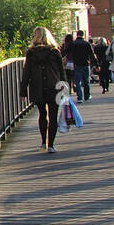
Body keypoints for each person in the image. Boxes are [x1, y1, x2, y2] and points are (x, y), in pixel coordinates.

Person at [19, 26, 67, 154]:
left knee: (42, 114)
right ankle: (51, 144)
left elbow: (26, 73)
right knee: (53, 116)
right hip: (54, 87)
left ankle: (43, 142)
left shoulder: (31, 53)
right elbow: (61, 72)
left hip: (37, 87)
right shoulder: (55, 52)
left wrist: (23, 90)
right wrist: (65, 88)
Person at [68, 30, 97, 102]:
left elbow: (67, 52)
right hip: (85, 64)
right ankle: (87, 96)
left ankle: (79, 97)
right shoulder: (86, 43)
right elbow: (92, 54)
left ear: (77, 35)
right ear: (83, 35)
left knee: (77, 82)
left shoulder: (73, 43)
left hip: (77, 64)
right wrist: (96, 64)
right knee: (86, 81)